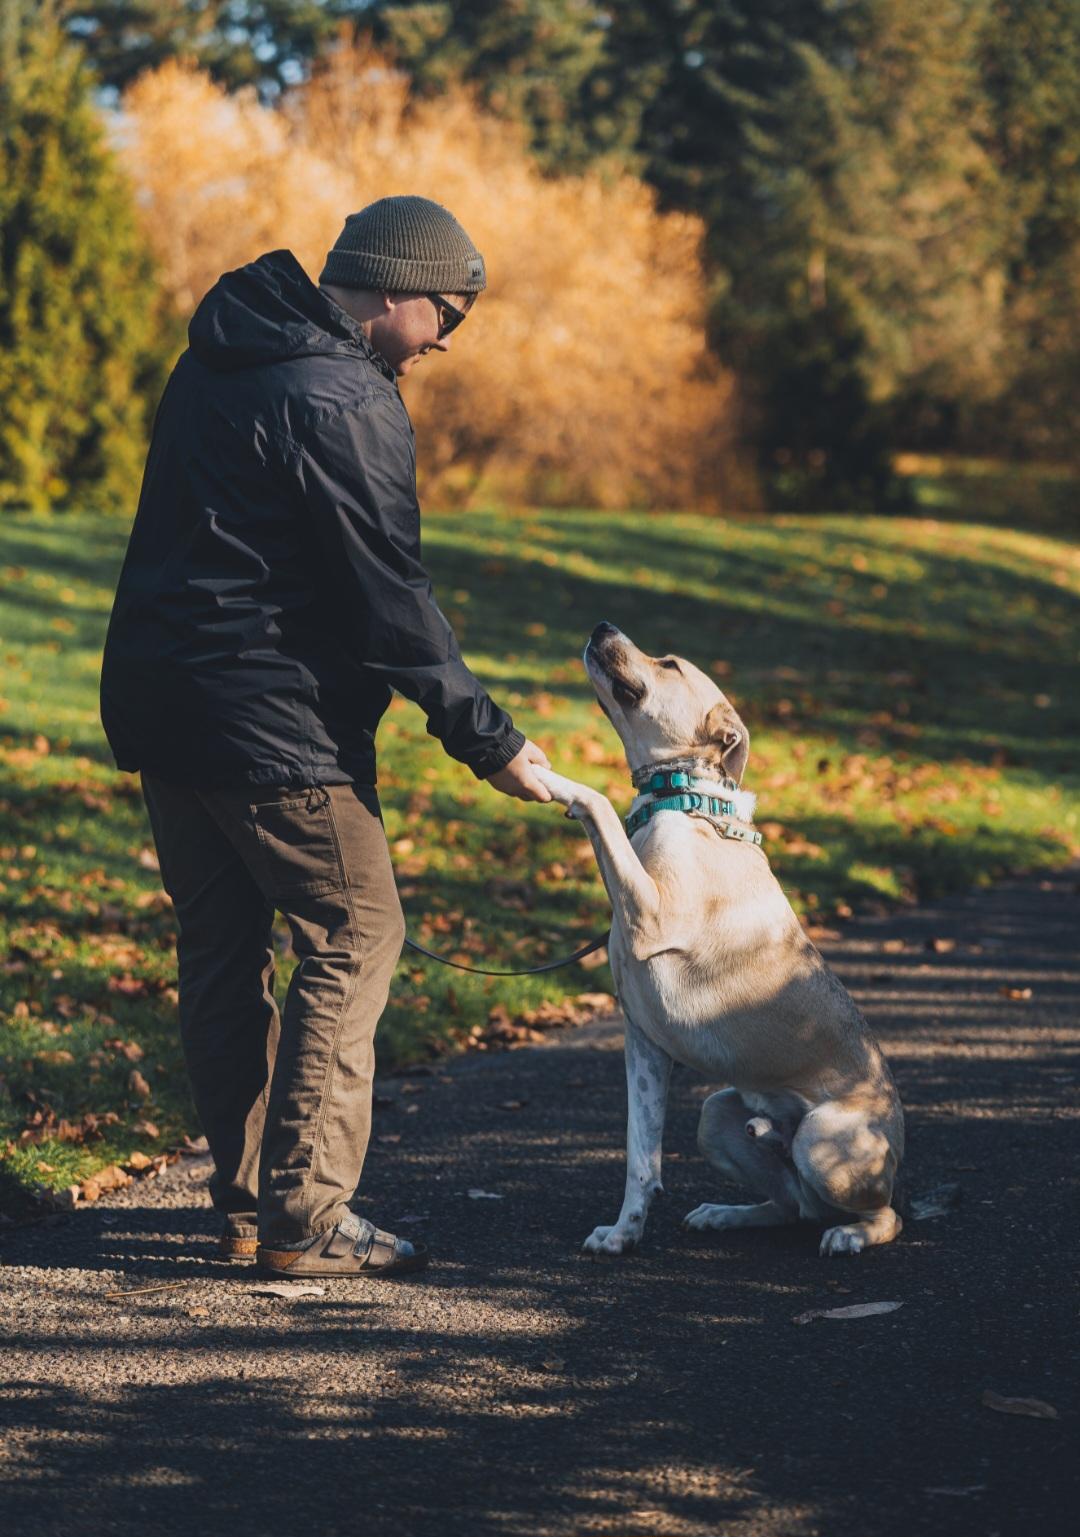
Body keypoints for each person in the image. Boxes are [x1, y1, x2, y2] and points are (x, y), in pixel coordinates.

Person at [100, 196, 552, 1278]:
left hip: (167, 708)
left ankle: (249, 1204)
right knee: (356, 931)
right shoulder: (342, 395)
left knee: (220, 952)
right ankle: (305, 1213)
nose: (448, 337)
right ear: (393, 292)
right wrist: (488, 739)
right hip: (271, 724)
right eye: (447, 312)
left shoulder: (222, 351)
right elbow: (388, 599)